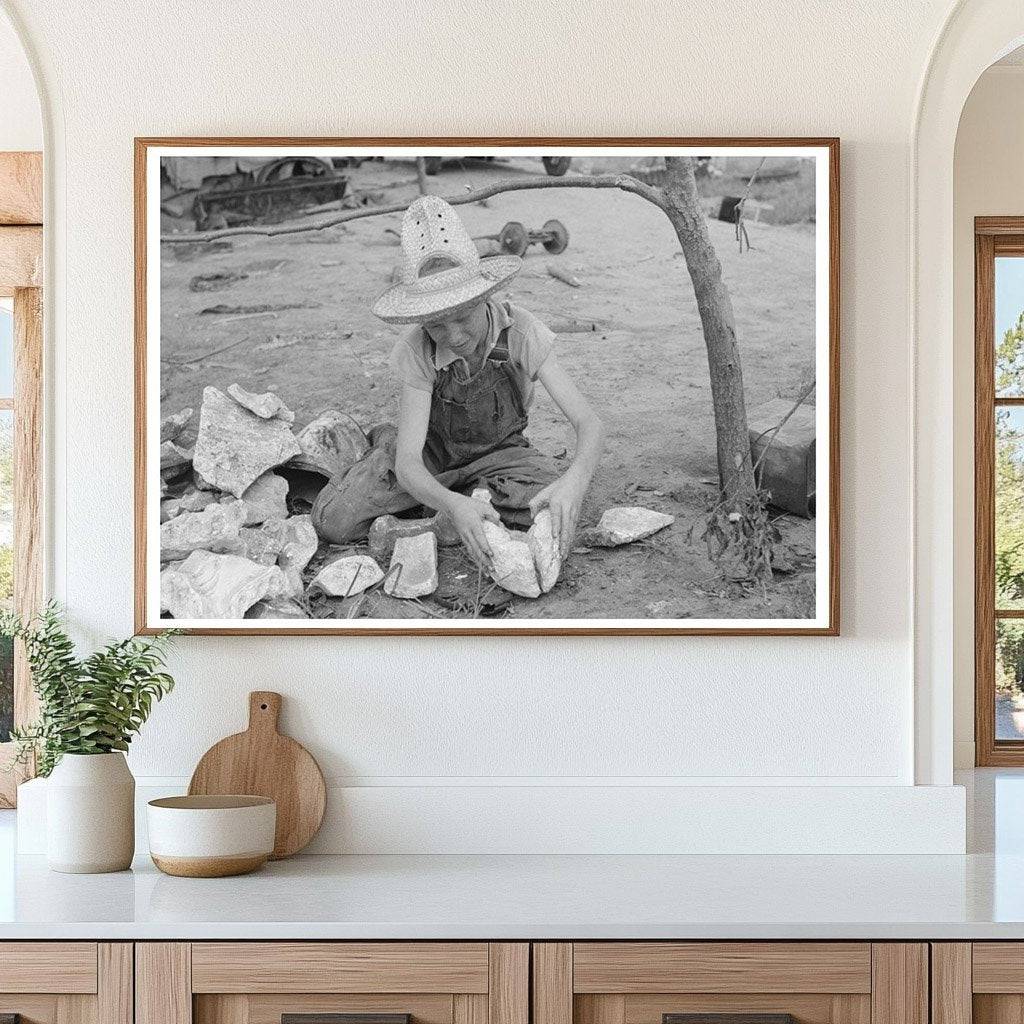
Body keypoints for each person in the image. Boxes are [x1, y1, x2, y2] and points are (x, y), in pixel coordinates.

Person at [312, 194, 603, 569]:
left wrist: (575, 482)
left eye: (463, 317)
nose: (454, 336)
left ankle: (463, 500)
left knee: (553, 510)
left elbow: (588, 424)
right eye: (436, 324)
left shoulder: (522, 332)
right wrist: (451, 504)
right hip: (432, 455)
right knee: (334, 521)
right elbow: (411, 463)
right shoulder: (417, 349)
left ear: (484, 296)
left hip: (503, 453)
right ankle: (443, 490)